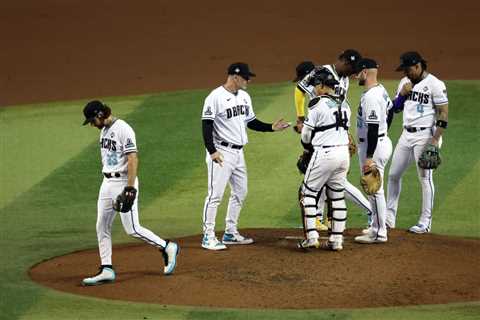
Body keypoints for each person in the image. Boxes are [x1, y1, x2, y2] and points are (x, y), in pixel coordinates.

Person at [81, 100, 179, 286]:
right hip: (107, 183)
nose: (92, 124)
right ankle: (107, 269)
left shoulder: (123, 129)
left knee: (132, 228)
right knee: (101, 226)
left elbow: (132, 158)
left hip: (123, 182)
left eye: (92, 120)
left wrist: (130, 187)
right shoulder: (104, 130)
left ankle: (167, 247)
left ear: (100, 115)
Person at [201, 62, 290, 250]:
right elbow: (206, 125)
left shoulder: (244, 97)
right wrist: (212, 151)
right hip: (221, 152)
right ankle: (208, 236)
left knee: (240, 191)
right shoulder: (214, 97)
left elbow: (251, 122)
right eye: (245, 77)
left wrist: (270, 128)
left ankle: (230, 232)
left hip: (239, 153)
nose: (248, 80)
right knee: (215, 195)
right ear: (234, 76)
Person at [293, 50, 373, 231]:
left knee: (331, 182)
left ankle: (370, 211)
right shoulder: (321, 72)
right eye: (352, 67)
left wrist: (344, 133)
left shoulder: (344, 78)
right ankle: (320, 219)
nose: (354, 72)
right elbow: (299, 90)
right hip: (320, 131)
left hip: (331, 136)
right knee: (324, 180)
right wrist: (300, 117)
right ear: (343, 61)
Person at [386, 52, 449, 233]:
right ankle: (389, 219)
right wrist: (402, 95)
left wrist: (435, 139)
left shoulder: (435, 85)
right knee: (393, 175)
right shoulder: (404, 83)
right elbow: (395, 109)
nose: (405, 72)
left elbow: (443, 113)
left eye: (407, 69)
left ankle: (425, 222)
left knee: (425, 178)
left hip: (425, 136)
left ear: (418, 66)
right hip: (406, 135)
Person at [298, 67, 351, 251]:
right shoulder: (345, 105)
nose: (313, 88)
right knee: (336, 196)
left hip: (324, 153)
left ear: (321, 85)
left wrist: (306, 150)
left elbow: (306, 135)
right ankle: (337, 240)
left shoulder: (316, 104)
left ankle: (311, 237)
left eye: (315, 85)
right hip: (344, 155)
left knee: (307, 193)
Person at [353, 58, 393, 244]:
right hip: (379, 143)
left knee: (376, 190)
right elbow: (391, 112)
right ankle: (375, 227)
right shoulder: (380, 90)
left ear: (365, 73)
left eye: (358, 72)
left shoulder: (371, 96)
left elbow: (373, 128)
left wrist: (369, 157)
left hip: (374, 147)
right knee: (372, 189)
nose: (355, 75)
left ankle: (380, 232)